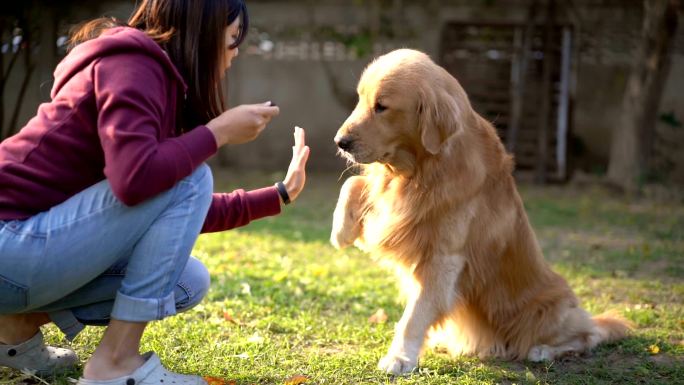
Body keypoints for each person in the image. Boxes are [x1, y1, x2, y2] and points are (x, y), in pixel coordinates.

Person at [0, 0, 310, 384]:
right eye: (232, 39)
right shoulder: (132, 64)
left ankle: (14, 327)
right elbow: (138, 180)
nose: (236, 52)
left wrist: (278, 195)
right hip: (8, 244)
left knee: (186, 282)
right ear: (202, 32)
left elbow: (166, 206)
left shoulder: (153, 77)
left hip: (22, 252)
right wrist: (218, 133)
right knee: (192, 177)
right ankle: (115, 364)